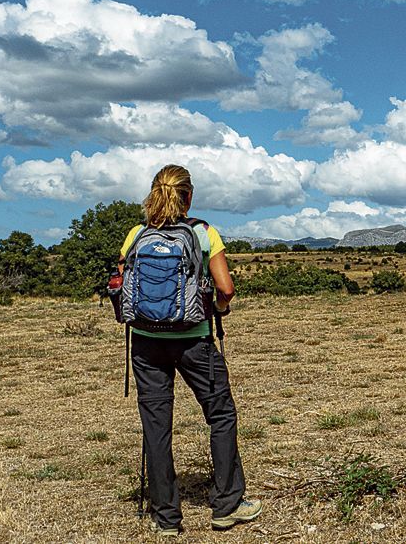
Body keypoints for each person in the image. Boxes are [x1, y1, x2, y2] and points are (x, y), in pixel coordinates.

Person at [119, 164, 261, 536]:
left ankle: (166, 518)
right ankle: (227, 505)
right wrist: (219, 309)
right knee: (221, 415)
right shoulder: (202, 232)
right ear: (189, 196)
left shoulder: (136, 234)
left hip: (146, 343)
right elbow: (226, 288)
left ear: (152, 194)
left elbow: (122, 284)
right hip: (195, 340)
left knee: (156, 426)